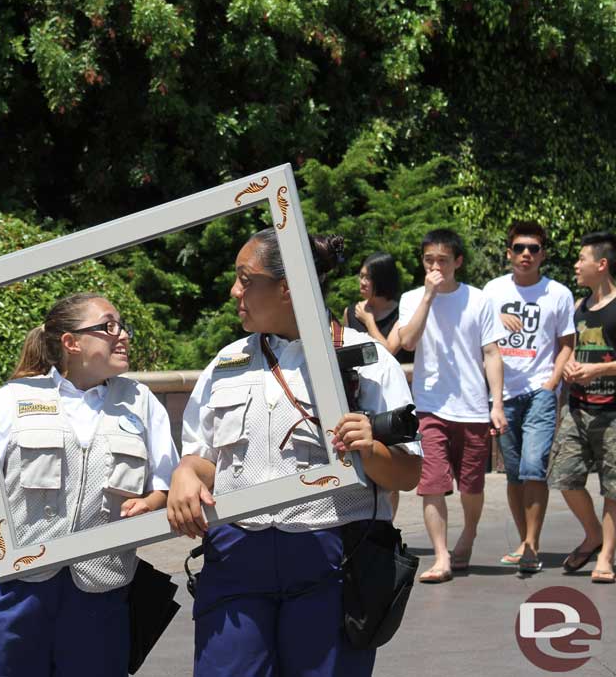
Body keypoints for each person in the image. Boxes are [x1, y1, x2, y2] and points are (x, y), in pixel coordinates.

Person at [167, 230, 422, 677]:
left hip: (333, 553)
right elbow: (206, 462)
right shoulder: (225, 364)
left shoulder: (366, 360)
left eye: (245, 279)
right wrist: (186, 472)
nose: (234, 291)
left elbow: (408, 473)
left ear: (289, 287)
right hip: (235, 555)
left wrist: (370, 446)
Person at [0, 292, 179, 676]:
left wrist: (151, 503)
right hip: (13, 589)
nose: (123, 336)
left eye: (123, 326)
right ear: (71, 343)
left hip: (101, 593)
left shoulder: (141, 402)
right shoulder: (14, 399)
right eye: (108, 326)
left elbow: (165, 485)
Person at [397, 228, 508, 583]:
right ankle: (442, 557)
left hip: (473, 406)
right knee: (431, 483)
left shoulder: (478, 300)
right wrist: (428, 297)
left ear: (457, 261)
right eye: (429, 260)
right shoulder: (412, 298)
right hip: (430, 406)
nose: (435, 266)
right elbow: (408, 342)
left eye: (442, 260)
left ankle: (469, 533)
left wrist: (497, 404)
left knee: (472, 487)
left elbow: (491, 353)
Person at [483, 222, 575, 573]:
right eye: (519, 248)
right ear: (508, 252)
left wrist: (551, 383)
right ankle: (524, 542)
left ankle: (533, 545)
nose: (526, 254)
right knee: (513, 474)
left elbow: (567, 343)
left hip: (539, 391)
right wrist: (497, 317)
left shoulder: (558, 294)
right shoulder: (491, 292)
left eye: (533, 249)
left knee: (533, 467)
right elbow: (478, 334)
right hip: (502, 394)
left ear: (543, 254)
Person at [550, 231, 616, 583]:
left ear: (601, 264)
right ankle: (593, 534)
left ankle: (605, 555)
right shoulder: (580, 306)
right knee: (564, 476)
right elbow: (572, 348)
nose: (576, 265)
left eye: (582, 259)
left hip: (612, 412)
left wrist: (599, 369)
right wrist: (574, 366)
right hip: (577, 407)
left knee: (613, 486)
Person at [344, 251, 413, 520]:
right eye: (360, 276)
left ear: (381, 280)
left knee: (391, 460)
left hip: (391, 396)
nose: (361, 282)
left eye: (367, 277)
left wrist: (370, 321)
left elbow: (388, 350)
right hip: (359, 394)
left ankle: (388, 523)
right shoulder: (351, 311)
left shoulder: (399, 312)